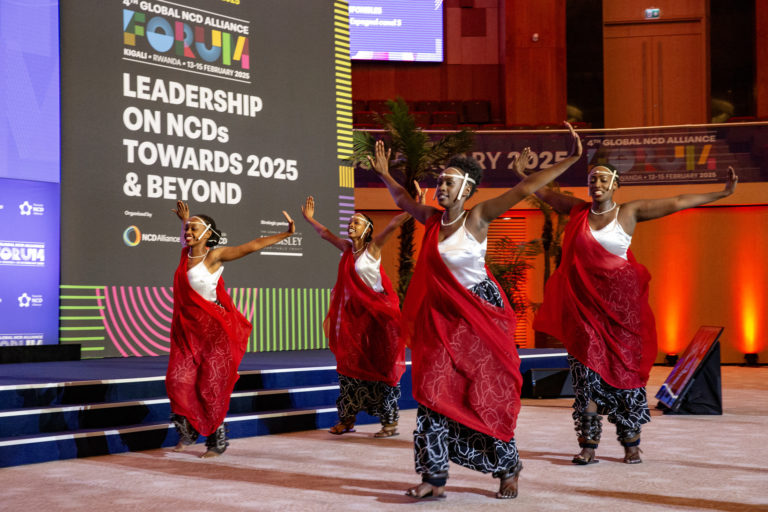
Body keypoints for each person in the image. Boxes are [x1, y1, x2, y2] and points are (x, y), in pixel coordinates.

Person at [368, 123, 583, 499]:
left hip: (480, 314)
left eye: (450, 183)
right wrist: (386, 174)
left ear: (467, 190)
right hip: (442, 319)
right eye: (441, 181)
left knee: (485, 393)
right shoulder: (432, 220)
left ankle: (507, 468)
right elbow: (403, 200)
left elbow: (525, 188)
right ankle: (433, 478)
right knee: (432, 392)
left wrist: (573, 159)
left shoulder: (477, 217)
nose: (442, 187)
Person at [517, 162, 738, 465]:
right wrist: (523, 173)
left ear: (616, 184)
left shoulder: (629, 212)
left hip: (622, 312)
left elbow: (676, 202)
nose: (597, 183)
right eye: (592, 178)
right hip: (585, 312)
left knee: (626, 376)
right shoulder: (578, 210)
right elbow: (541, 191)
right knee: (586, 377)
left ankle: (631, 442)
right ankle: (588, 446)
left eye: (604, 178)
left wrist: (722, 193)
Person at [167, 200, 295, 457]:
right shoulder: (185, 254)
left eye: (194, 229)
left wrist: (286, 234)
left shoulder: (214, 255)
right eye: (187, 229)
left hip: (214, 332)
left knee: (210, 387)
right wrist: (186, 219)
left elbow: (253, 245)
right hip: (186, 331)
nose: (188, 232)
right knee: (177, 380)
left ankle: (217, 440)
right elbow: (190, 236)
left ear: (208, 235)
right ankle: (191, 429)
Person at [301, 196, 411, 438]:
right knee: (349, 366)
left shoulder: (373, 249)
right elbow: (325, 233)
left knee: (383, 369)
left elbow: (393, 224)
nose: (352, 224)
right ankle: (347, 419)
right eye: (350, 221)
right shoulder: (347, 249)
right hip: (354, 319)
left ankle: (389, 422)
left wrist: (412, 208)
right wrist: (309, 220)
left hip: (379, 318)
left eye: (357, 222)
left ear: (368, 230)